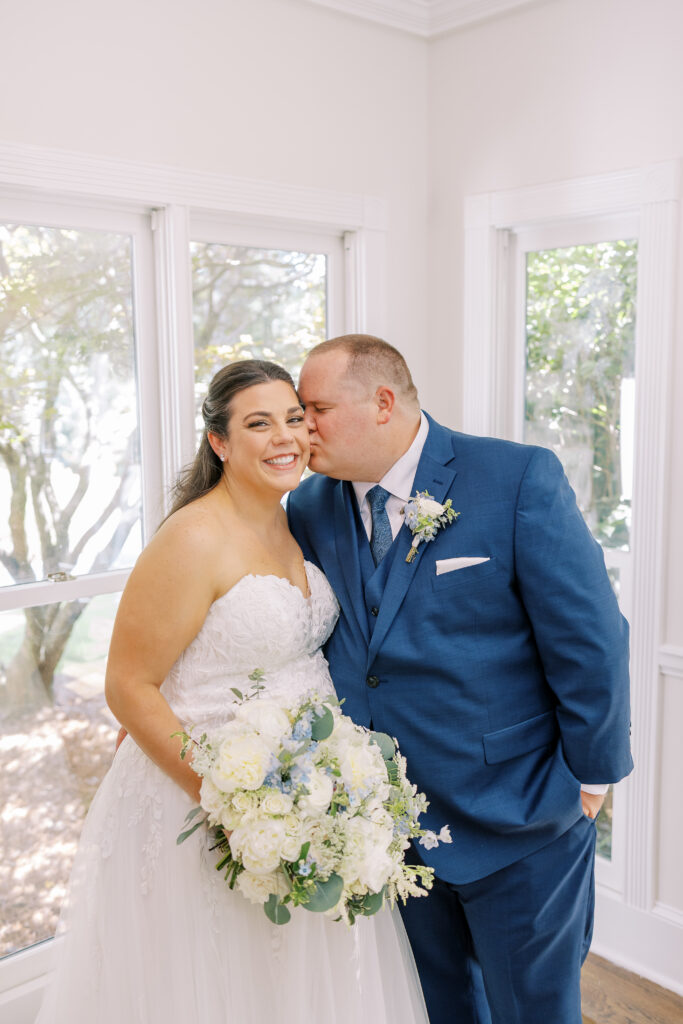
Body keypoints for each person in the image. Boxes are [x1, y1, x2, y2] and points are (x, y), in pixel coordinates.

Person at [35, 359, 429, 1024]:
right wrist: (234, 805)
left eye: (294, 419)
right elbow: (128, 685)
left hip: (306, 793)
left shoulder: (295, 519)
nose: (284, 437)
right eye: (258, 423)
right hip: (204, 801)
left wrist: (321, 795)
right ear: (219, 442)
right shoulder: (191, 537)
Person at [287, 334, 633, 1024]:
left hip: (520, 813)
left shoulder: (514, 478)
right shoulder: (308, 508)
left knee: (533, 1011)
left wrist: (590, 781)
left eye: (315, 407)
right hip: (388, 828)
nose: (302, 427)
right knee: (439, 1008)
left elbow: (589, 637)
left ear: (382, 403)